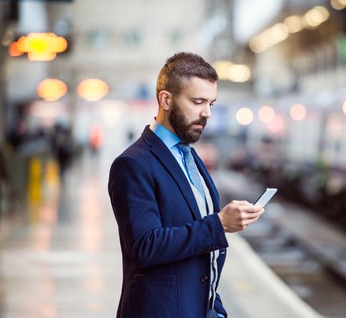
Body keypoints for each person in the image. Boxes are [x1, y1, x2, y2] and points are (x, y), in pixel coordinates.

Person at [108, 52, 265, 318]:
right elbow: (145, 246)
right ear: (165, 100)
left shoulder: (190, 157)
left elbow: (205, 259)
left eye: (211, 103)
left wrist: (215, 310)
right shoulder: (133, 164)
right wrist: (220, 224)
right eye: (198, 102)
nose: (207, 113)